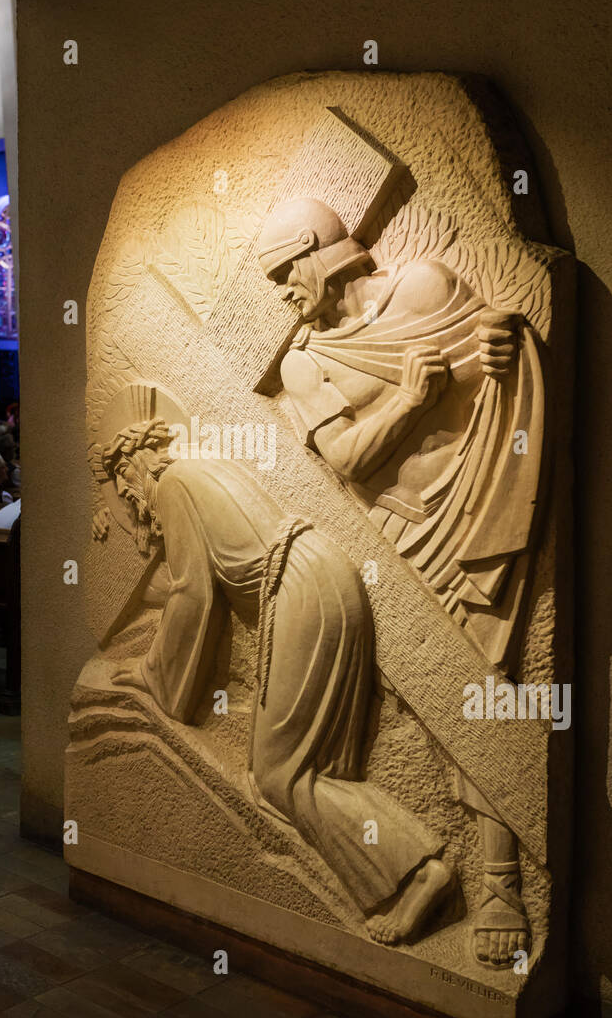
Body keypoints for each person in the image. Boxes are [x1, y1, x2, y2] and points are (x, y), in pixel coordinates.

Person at [259, 196, 543, 967]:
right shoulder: (303, 361)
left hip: (477, 503)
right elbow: (348, 460)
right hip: (393, 534)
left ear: (321, 253)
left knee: (488, 681)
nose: (283, 292)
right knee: (431, 699)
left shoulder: (424, 286)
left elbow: (491, 359)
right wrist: (415, 399)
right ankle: (428, 866)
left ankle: (501, 883)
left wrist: (498, 349)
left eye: (286, 272)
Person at [101, 416, 453, 943]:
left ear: (134, 467)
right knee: (319, 765)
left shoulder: (172, 484)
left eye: (123, 481)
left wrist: (153, 676)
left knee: (278, 775)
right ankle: (399, 869)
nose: (127, 496)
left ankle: (418, 872)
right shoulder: (204, 467)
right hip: (324, 575)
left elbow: (192, 593)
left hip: (298, 592)